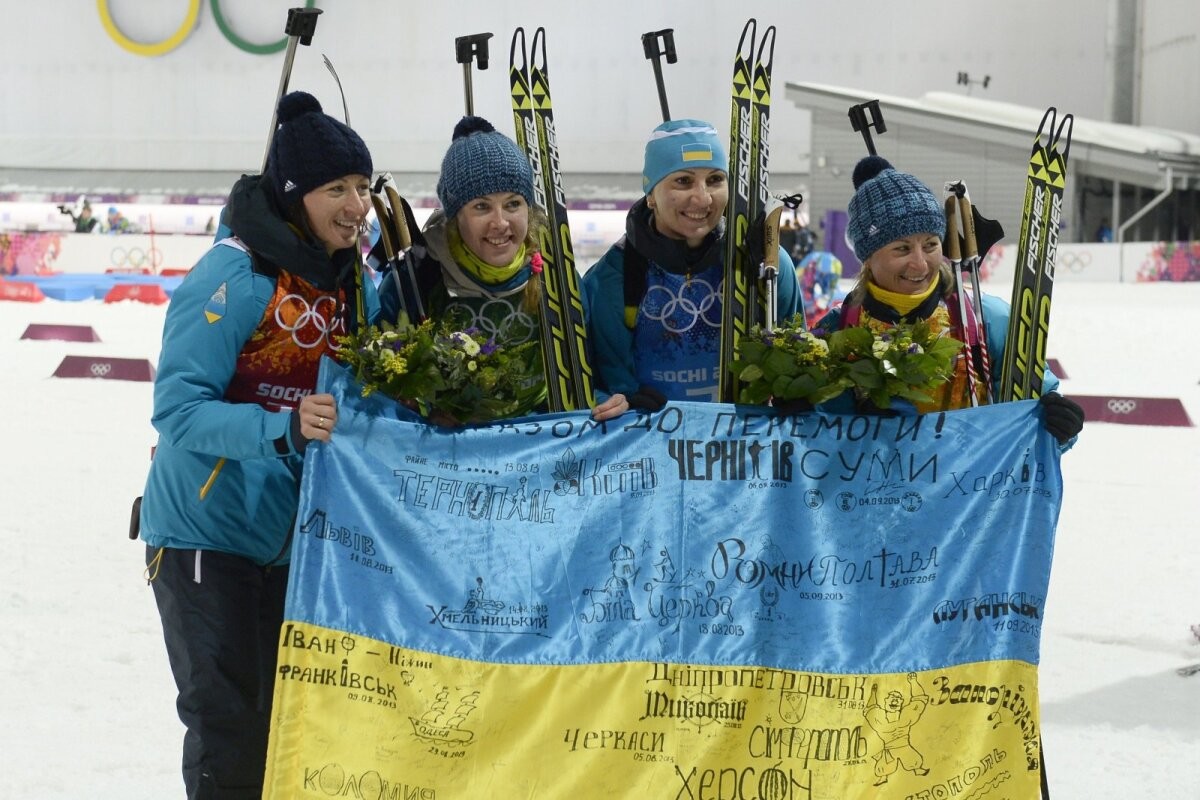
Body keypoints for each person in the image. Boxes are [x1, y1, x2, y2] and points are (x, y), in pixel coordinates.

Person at [138, 90, 379, 799]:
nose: (355, 205)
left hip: (292, 542)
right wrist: (283, 426)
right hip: (204, 535)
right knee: (228, 725)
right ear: (295, 194)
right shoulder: (234, 274)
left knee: (288, 725)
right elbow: (177, 410)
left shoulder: (350, 284)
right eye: (337, 188)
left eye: (363, 187)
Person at [812, 156, 1084, 444]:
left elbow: (1030, 427)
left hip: (972, 487)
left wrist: (1060, 427)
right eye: (902, 249)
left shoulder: (986, 319)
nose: (920, 263)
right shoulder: (836, 331)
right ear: (868, 257)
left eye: (930, 245)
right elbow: (816, 449)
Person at [377, 115, 627, 423]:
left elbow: (584, 378)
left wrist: (604, 404)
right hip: (450, 456)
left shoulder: (557, 277)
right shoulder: (415, 280)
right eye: (481, 206)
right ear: (456, 217)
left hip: (535, 446)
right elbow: (383, 390)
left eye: (513, 204)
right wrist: (419, 415)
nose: (500, 222)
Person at [582, 118, 800, 406]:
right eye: (683, 181)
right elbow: (586, 381)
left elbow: (800, 360)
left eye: (714, 180)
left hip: (741, 444)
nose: (702, 198)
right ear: (650, 195)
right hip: (650, 444)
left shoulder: (766, 265)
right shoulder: (610, 278)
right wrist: (609, 402)